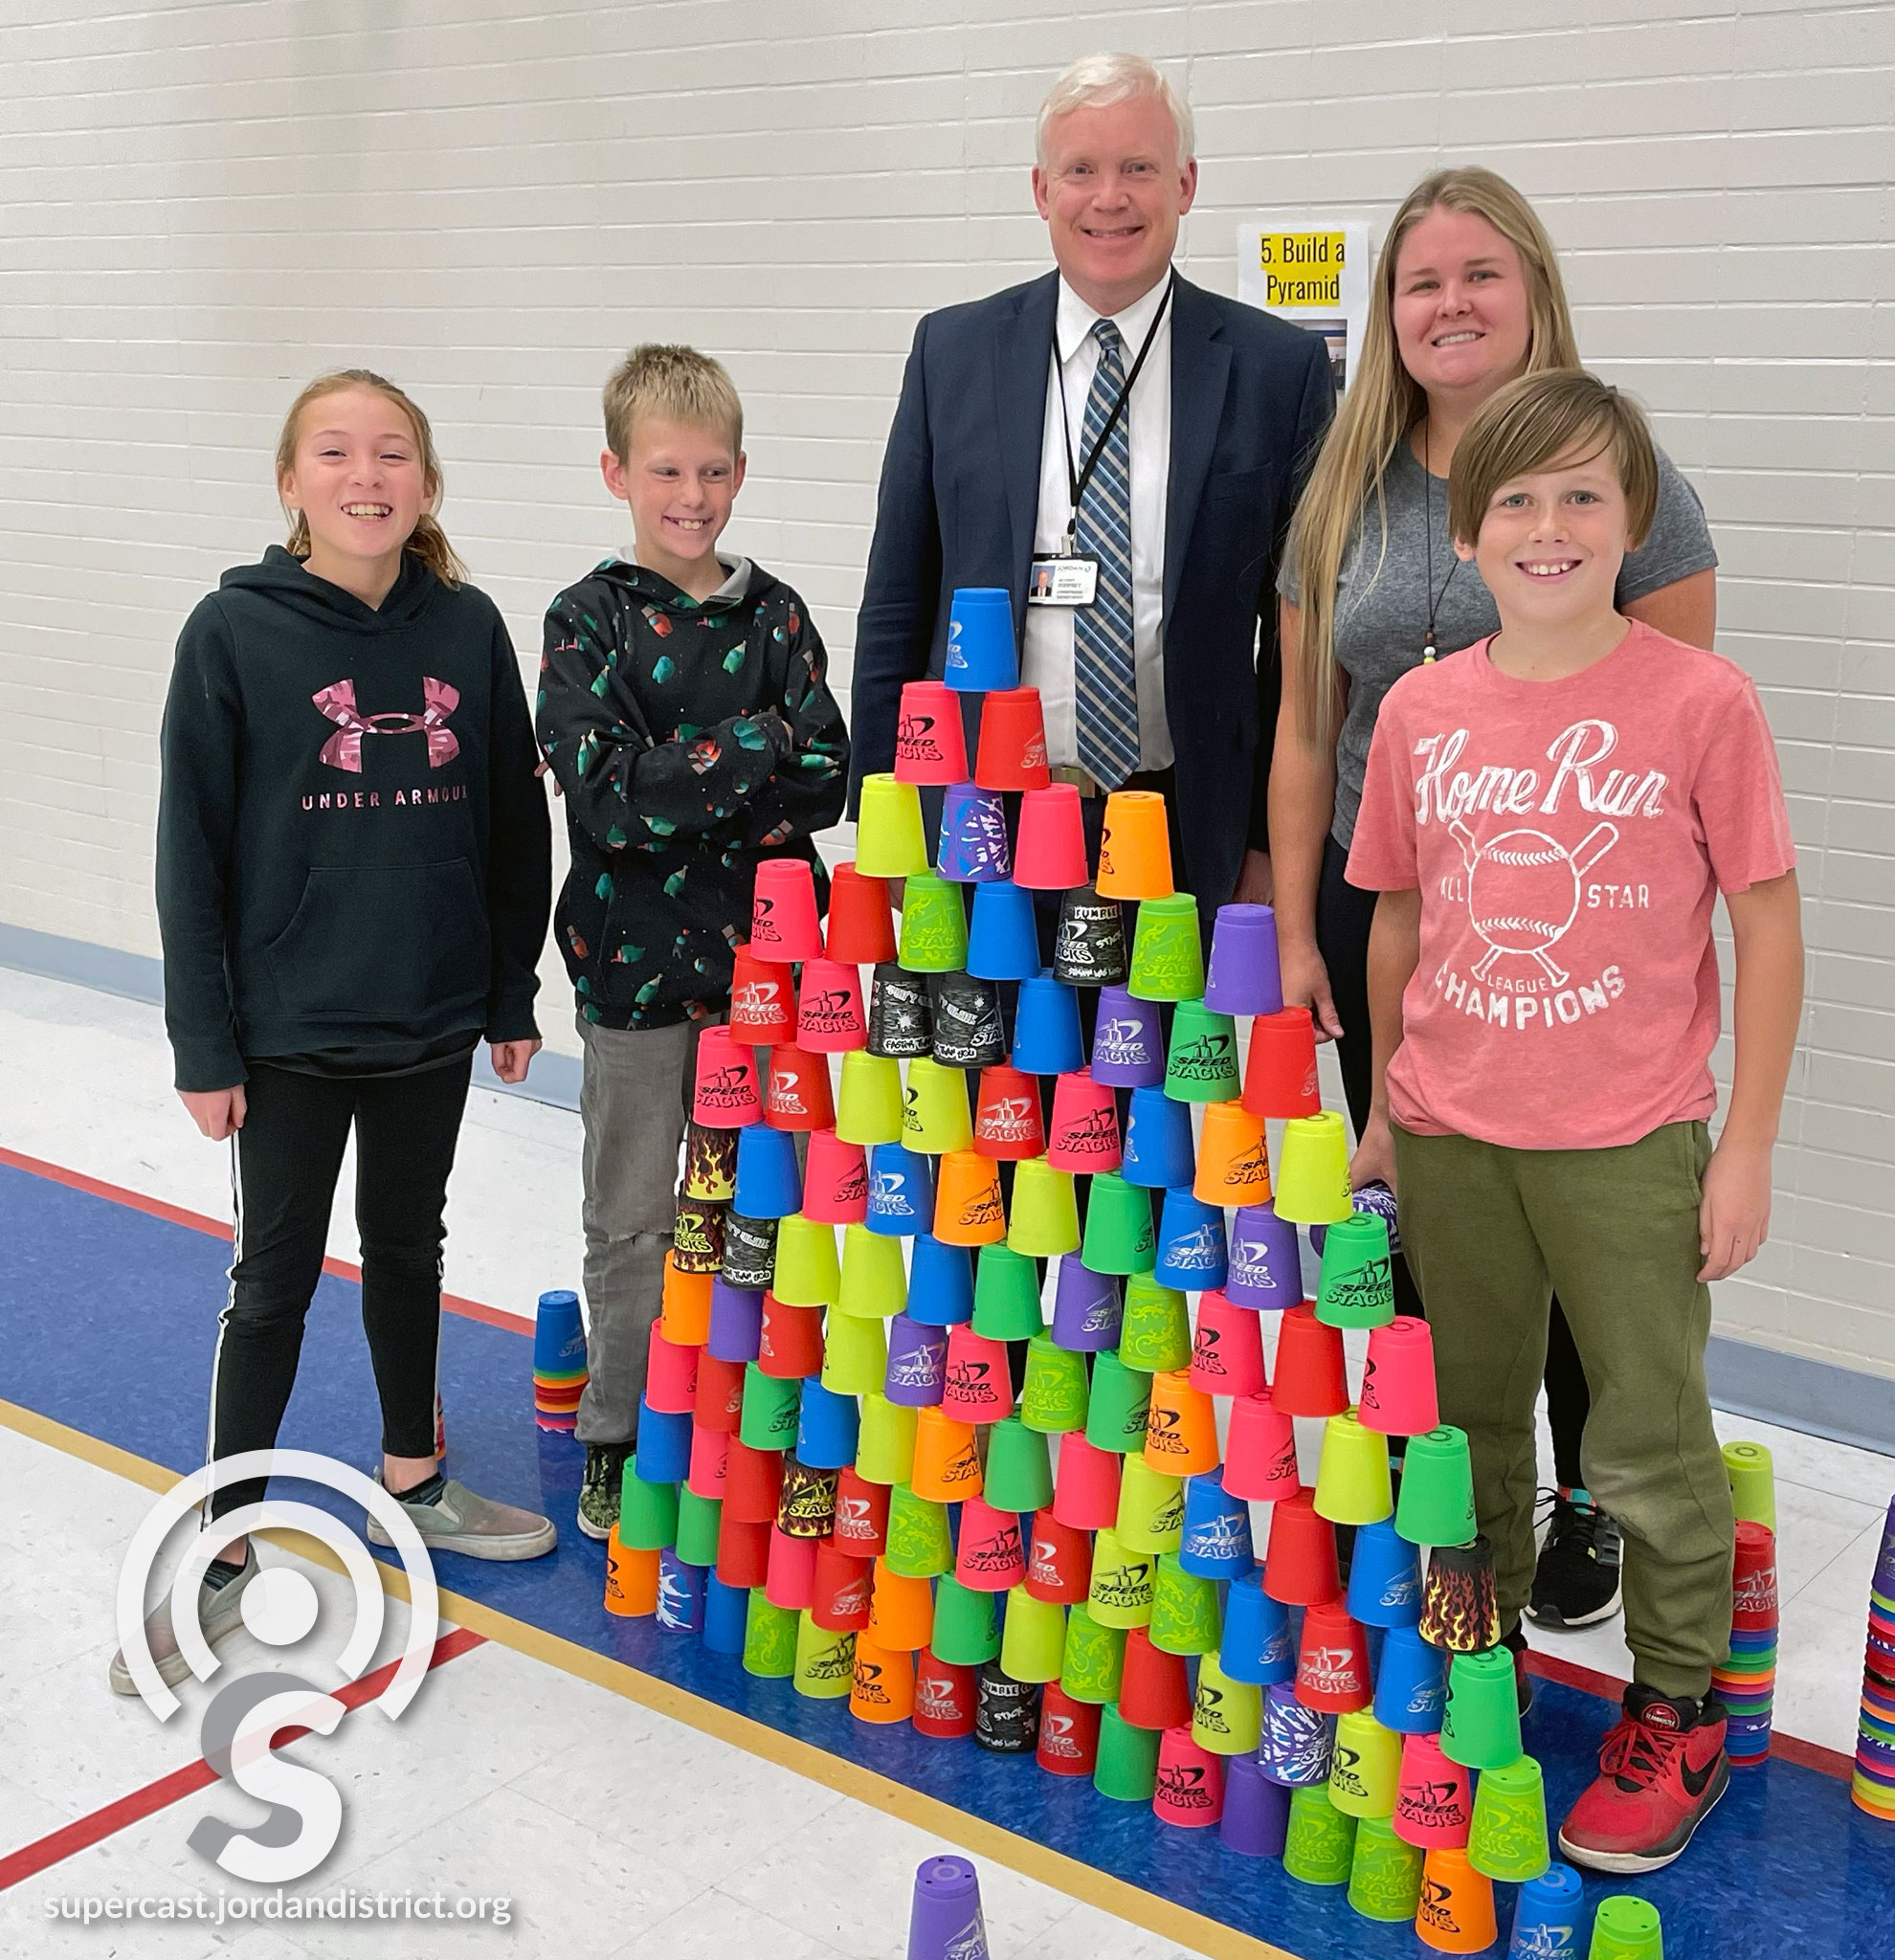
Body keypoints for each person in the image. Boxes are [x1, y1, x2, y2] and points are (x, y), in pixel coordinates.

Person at [1346, 369, 1802, 1872]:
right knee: (1467, 1426)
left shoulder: (1700, 703)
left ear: (1635, 519)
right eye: (1517, 501)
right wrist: (1384, 1115)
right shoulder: (1420, 709)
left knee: (1649, 1438)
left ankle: (1679, 1708)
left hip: (1630, 1141)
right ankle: (1481, 1677)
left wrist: (1745, 1149)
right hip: (1454, 1131)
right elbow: (1398, 920)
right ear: (1467, 536)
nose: (1550, 527)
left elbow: (1768, 924)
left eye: (1583, 496)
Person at [1269, 167, 1722, 1631]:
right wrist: (1292, 922)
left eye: (1479, 275)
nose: (1448, 304)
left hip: (1577, 932)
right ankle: (1460, 1504)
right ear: (1387, 313)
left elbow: (1678, 740)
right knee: (1432, 1219)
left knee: (1585, 1222)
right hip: (1384, 905)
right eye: (1420, 282)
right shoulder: (1343, 490)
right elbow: (1303, 728)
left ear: (1534, 291)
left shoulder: (1626, 481)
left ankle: (1594, 1498)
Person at [124, 370, 557, 1694]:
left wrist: (507, 992)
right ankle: (222, 1546)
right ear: (291, 481)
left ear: (424, 484)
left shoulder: (468, 628)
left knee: (412, 1245)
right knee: (274, 1280)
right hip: (287, 1030)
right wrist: (205, 1042)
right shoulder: (233, 634)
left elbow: (508, 822)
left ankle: (414, 1478)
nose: (365, 475)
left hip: (428, 1015)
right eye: (335, 452)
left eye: (392, 454)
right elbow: (188, 850)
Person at [852, 51, 1333, 916]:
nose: (1109, 197)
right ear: (1042, 191)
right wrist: (883, 815)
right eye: (1082, 170)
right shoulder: (952, 355)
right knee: (990, 1054)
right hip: (977, 814)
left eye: (1138, 168)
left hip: (1185, 822)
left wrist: (1267, 844)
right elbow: (896, 601)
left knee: (1151, 1054)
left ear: (1185, 184)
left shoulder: (1279, 371)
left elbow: (1294, 649)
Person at [536, 345, 848, 1540]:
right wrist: (750, 747)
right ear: (616, 470)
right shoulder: (586, 619)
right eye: (666, 468)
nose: (692, 494)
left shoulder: (776, 614)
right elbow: (605, 798)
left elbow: (828, 777)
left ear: (741, 471)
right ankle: (618, 1429)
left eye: (713, 470)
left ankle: (739, 1415)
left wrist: (686, 774)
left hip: (768, 979)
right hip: (630, 975)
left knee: (759, 1209)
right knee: (634, 1218)